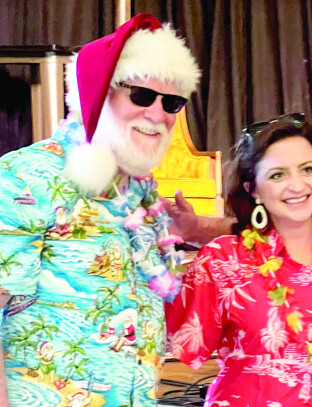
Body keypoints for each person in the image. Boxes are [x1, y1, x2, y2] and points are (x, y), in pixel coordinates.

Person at [0, 13, 200, 406]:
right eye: (141, 95)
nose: (158, 114)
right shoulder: (27, 176)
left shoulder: (142, 192)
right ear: (98, 91)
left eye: (172, 102)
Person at [165, 113, 312, 406]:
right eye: (277, 175)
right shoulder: (223, 260)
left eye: (307, 169)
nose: (297, 186)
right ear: (253, 189)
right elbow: (183, 346)